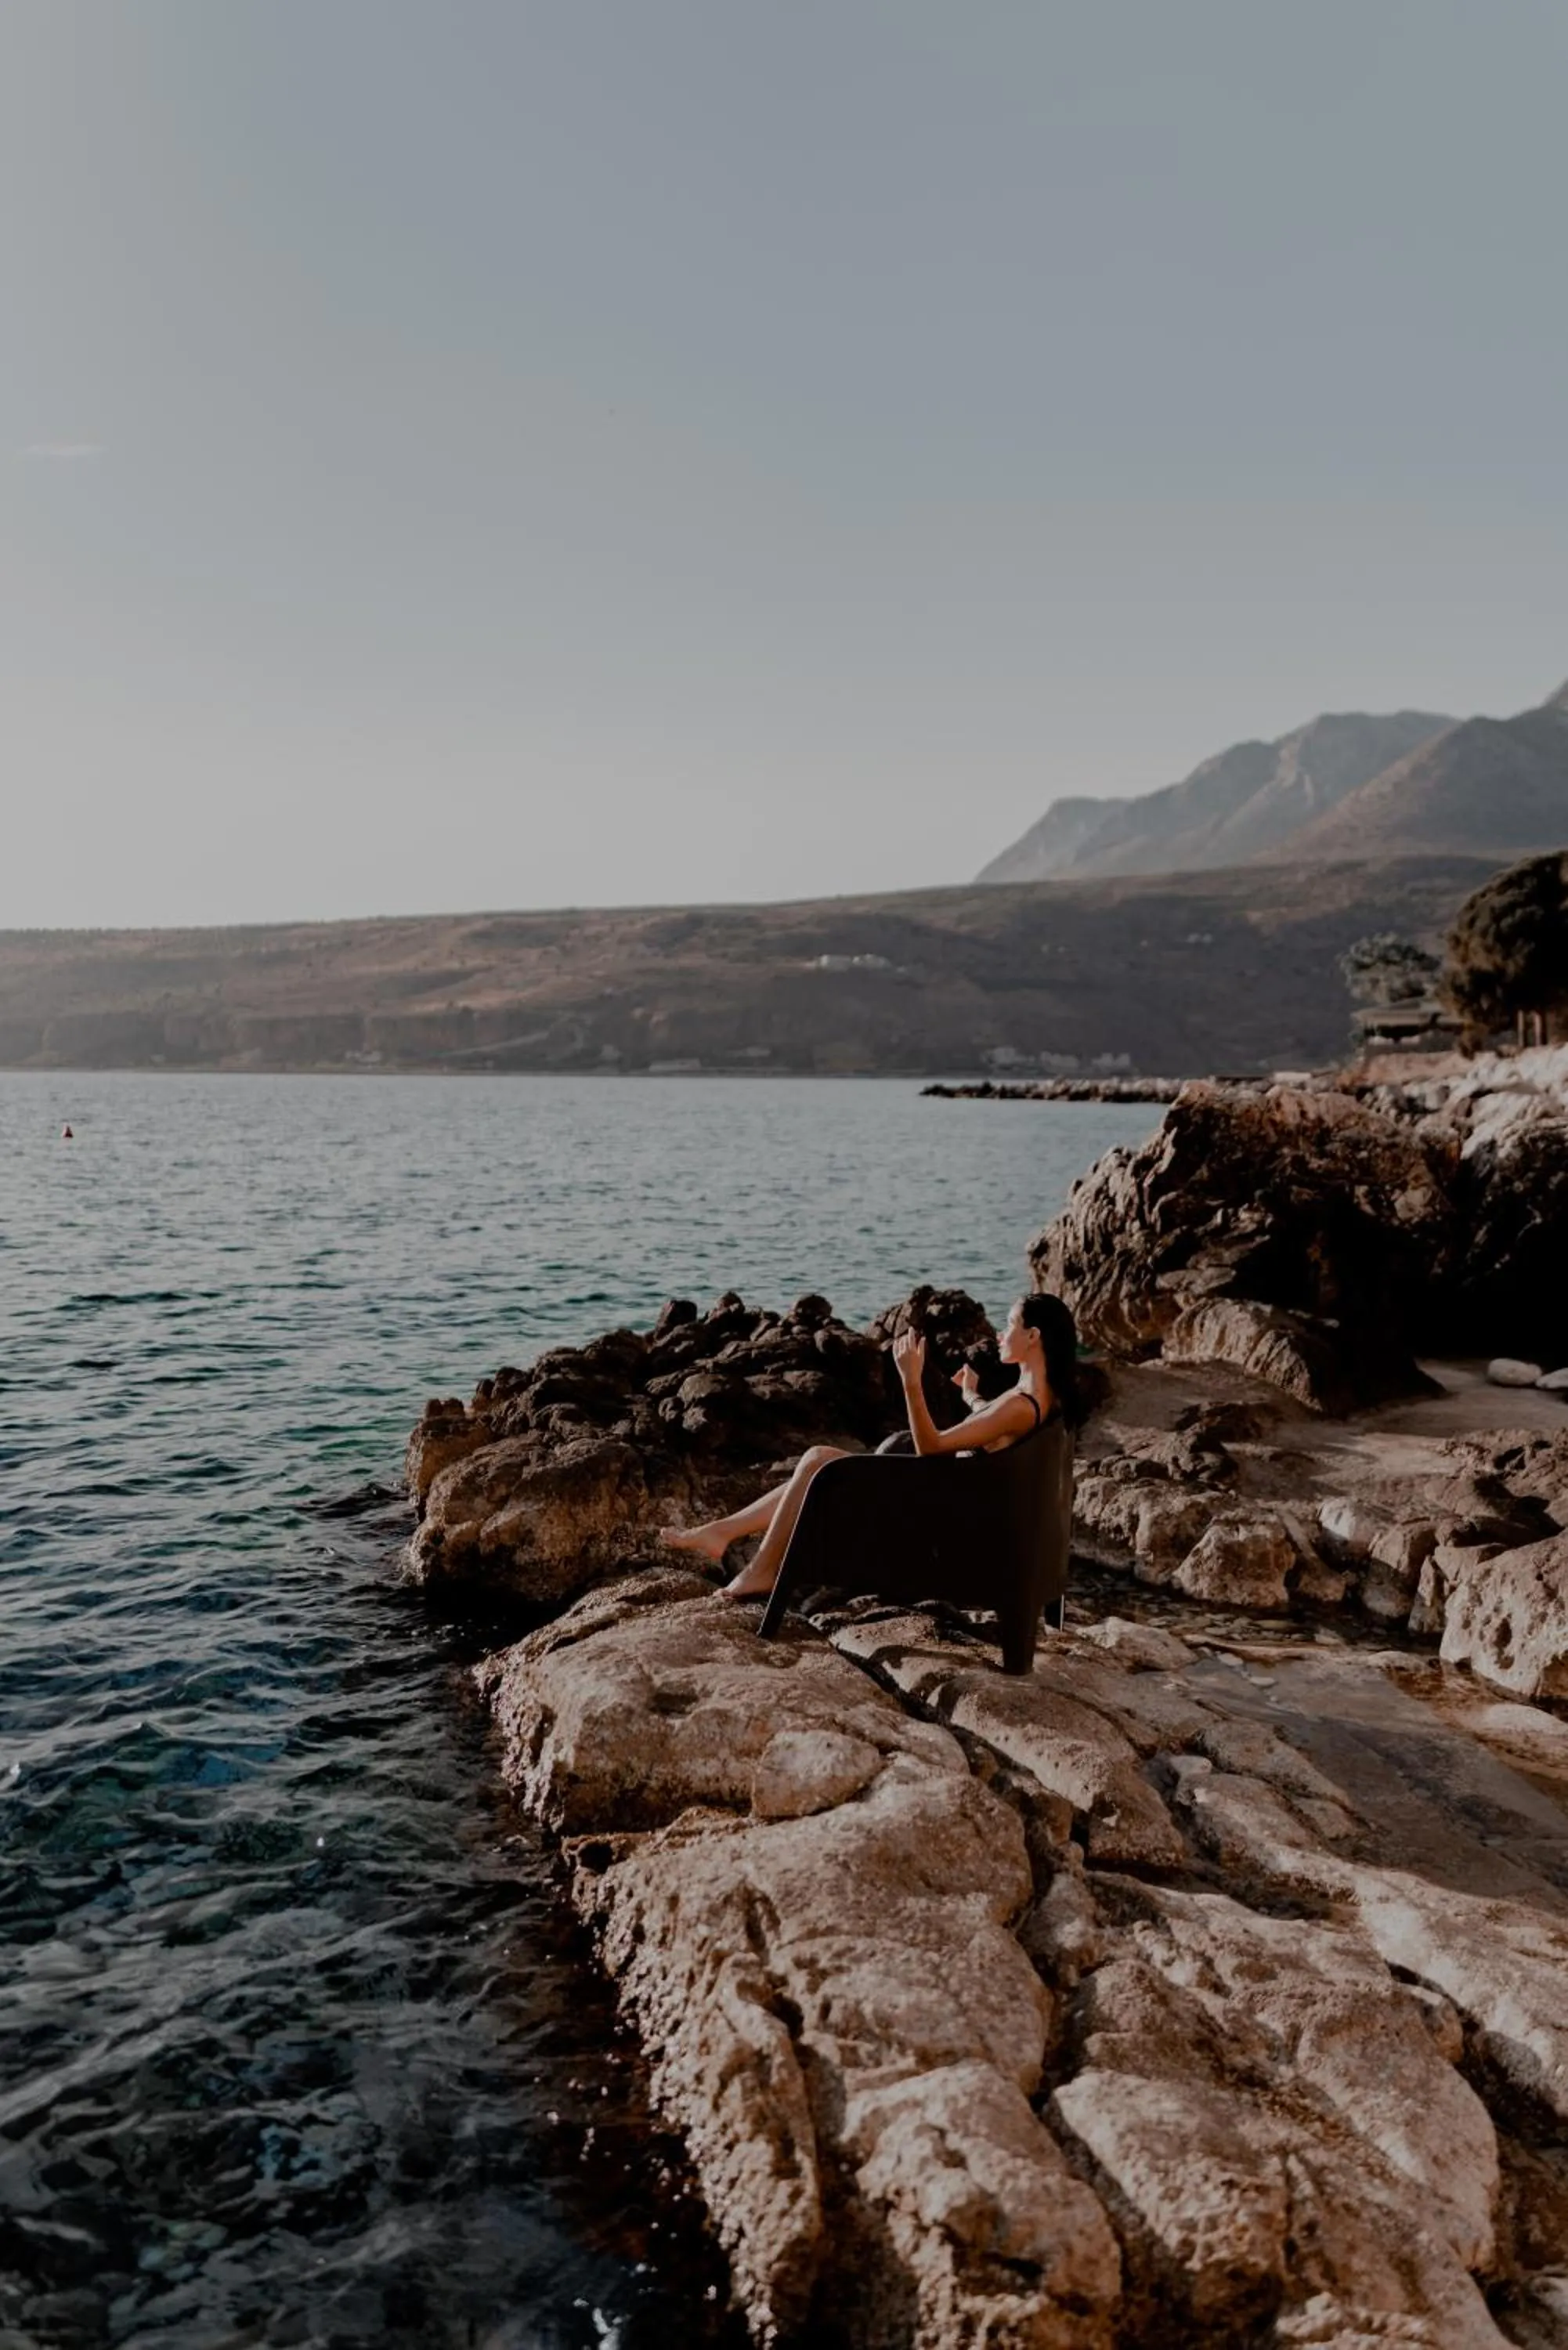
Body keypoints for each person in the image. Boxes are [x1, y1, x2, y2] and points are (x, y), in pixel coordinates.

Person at [659, 1292, 1083, 1601]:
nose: (1000, 1331)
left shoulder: (1017, 1406)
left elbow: (932, 1445)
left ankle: (763, 1570)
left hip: (935, 1528)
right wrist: (971, 1396)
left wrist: (911, 1381)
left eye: (1009, 1324)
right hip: (957, 1510)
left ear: (1033, 1336)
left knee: (818, 1460)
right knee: (818, 1469)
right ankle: (723, 1534)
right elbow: (994, 1423)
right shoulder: (1043, 1402)